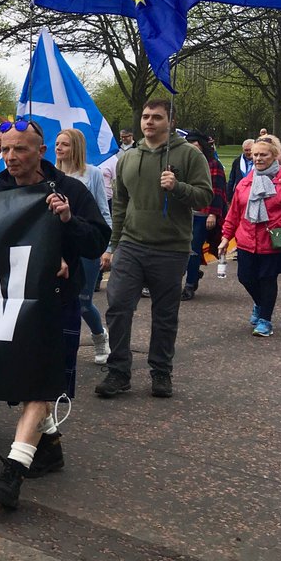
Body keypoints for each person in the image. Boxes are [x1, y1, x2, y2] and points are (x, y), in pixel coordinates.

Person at [0, 119, 110, 509]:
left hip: (56, 303)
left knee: (40, 383)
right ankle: (50, 449)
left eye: (20, 149)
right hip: (12, 303)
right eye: (5, 149)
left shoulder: (68, 190)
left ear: (40, 151)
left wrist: (68, 223)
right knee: (23, 381)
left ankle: (13, 473)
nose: (11, 157)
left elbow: (96, 241)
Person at [96, 99, 212, 400]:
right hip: (131, 246)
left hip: (170, 249)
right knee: (118, 306)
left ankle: (161, 371)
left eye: (156, 117)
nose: (149, 122)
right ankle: (119, 370)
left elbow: (203, 198)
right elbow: (120, 203)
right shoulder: (128, 156)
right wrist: (114, 245)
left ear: (170, 121)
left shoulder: (188, 155)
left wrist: (178, 187)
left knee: (164, 315)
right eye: (146, 117)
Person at [221, 136, 281, 336]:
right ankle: (261, 304)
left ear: (275, 156)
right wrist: (226, 237)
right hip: (246, 240)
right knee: (245, 277)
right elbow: (234, 213)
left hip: (273, 241)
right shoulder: (245, 182)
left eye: (263, 154)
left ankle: (265, 320)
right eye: (255, 155)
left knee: (267, 279)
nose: (258, 158)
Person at [54, 128, 112, 365]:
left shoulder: (93, 174)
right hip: (58, 247)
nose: (59, 148)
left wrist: (107, 248)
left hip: (85, 244)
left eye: (65, 144)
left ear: (75, 147)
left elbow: (103, 212)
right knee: (59, 300)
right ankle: (61, 347)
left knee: (84, 301)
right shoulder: (50, 175)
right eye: (57, 143)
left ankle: (99, 336)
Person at [181, 133, 227, 301]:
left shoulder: (213, 164)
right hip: (183, 213)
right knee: (180, 248)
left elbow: (218, 191)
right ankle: (193, 272)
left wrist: (213, 213)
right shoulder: (184, 164)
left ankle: (190, 284)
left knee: (193, 249)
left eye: (196, 145)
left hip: (202, 214)